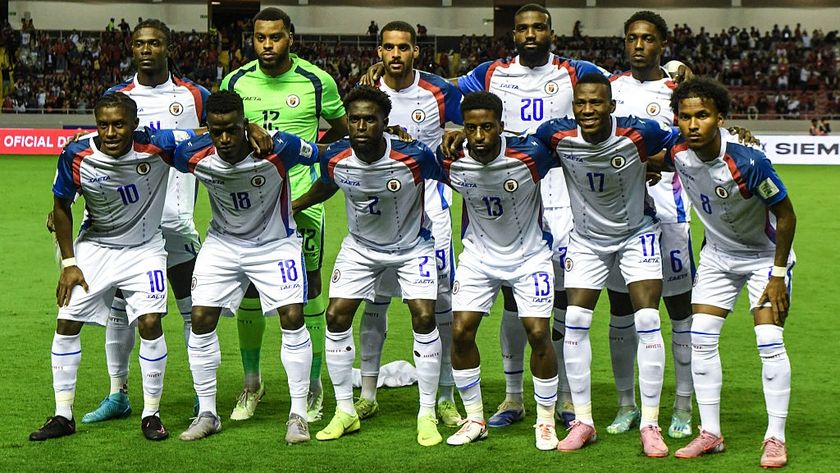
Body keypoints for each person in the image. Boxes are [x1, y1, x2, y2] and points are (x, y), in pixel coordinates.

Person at [453, 4, 607, 428]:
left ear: (551, 32)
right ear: (514, 35)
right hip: (511, 192)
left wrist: (672, 69)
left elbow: (621, 89)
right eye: (523, 28)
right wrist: (387, 74)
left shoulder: (576, 70)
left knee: (563, 300)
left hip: (565, 191)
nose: (531, 34)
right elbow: (445, 90)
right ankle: (512, 397)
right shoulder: (491, 73)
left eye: (539, 27)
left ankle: (565, 397)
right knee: (511, 296)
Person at [29, 93, 195, 442]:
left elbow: (208, 136)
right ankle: (63, 414)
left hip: (145, 249)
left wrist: (248, 129)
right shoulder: (77, 154)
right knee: (66, 321)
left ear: (134, 125)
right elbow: (61, 205)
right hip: (96, 247)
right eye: (103, 124)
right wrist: (69, 263)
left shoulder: (158, 145)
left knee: (150, 321)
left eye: (119, 124)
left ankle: (151, 414)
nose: (110, 132)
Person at [534, 73, 678, 456]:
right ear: (573, 107)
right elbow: (518, 150)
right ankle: (583, 421)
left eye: (596, 102)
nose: (588, 110)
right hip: (587, 240)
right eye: (581, 103)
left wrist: (655, 162)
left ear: (611, 105)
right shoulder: (556, 134)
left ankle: (650, 424)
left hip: (636, 234)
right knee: (575, 321)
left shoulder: (640, 132)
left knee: (647, 320)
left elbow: (683, 145)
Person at [293, 86, 445, 447]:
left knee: (425, 317)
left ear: (385, 122)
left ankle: (427, 413)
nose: (361, 126)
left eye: (370, 120)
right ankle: (345, 411)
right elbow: (327, 185)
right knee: (335, 316)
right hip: (360, 249)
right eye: (355, 119)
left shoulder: (414, 156)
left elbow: (448, 175)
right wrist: (294, 205)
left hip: (412, 247)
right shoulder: (335, 156)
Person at [221, 7, 348, 423]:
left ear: (290, 37)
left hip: (300, 203)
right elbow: (221, 131)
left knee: (309, 289)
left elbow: (342, 129)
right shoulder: (235, 82)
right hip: (250, 205)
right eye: (260, 38)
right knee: (250, 291)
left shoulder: (316, 81)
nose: (267, 45)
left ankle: (313, 387)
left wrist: (309, 153)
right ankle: (252, 383)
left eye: (275, 37)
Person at [80, 19, 211, 424]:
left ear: (169, 47)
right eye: (140, 44)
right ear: (132, 49)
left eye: (155, 43)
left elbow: (218, 137)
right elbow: (100, 158)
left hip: (177, 223)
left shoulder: (195, 96)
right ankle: (118, 394)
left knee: (193, 310)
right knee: (120, 312)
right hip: (129, 229)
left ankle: (200, 394)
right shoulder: (117, 97)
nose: (147, 50)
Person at [174, 91, 323, 443]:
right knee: (200, 318)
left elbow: (325, 156)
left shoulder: (280, 148)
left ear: (244, 124)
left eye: (233, 130)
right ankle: (208, 414)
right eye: (217, 132)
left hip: (276, 243)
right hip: (223, 244)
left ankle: (298, 415)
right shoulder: (191, 154)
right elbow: (148, 142)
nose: (225, 139)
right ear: (207, 129)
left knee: (292, 316)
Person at [669, 78, 795, 469]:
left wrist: (778, 274)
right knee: (701, 338)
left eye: (703, 116)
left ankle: (775, 437)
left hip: (763, 259)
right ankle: (711, 433)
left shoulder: (749, 163)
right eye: (685, 117)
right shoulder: (676, 150)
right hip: (718, 258)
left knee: (769, 340)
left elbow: (787, 215)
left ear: (720, 118)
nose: (693, 124)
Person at [355, 20, 463, 428]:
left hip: (430, 209)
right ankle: (367, 395)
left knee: (441, 302)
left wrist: (456, 137)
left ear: (416, 50)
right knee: (375, 300)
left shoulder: (439, 91)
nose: (396, 54)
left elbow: (470, 120)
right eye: (389, 47)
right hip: (379, 212)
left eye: (403, 47)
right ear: (379, 52)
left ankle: (446, 397)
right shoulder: (368, 91)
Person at [440, 92, 560, 451]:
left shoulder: (530, 154)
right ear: (463, 128)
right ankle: (475, 419)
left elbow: (577, 151)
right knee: (461, 332)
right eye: (471, 128)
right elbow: (409, 158)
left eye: (487, 127)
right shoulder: (451, 159)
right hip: (478, 257)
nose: (479, 136)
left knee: (538, 333)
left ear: (501, 127)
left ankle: (545, 421)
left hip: (530, 257)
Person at [606, 10, 695, 439]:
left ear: (662, 44)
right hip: (620, 217)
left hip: (669, 212)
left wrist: (658, 158)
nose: (638, 45)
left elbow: (694, 141)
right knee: (621, 310)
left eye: (647, 38)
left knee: (679, 310)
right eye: (632, 38)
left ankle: (683, 404)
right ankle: (627, 404)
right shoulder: (609, 88)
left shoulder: (679, 90)